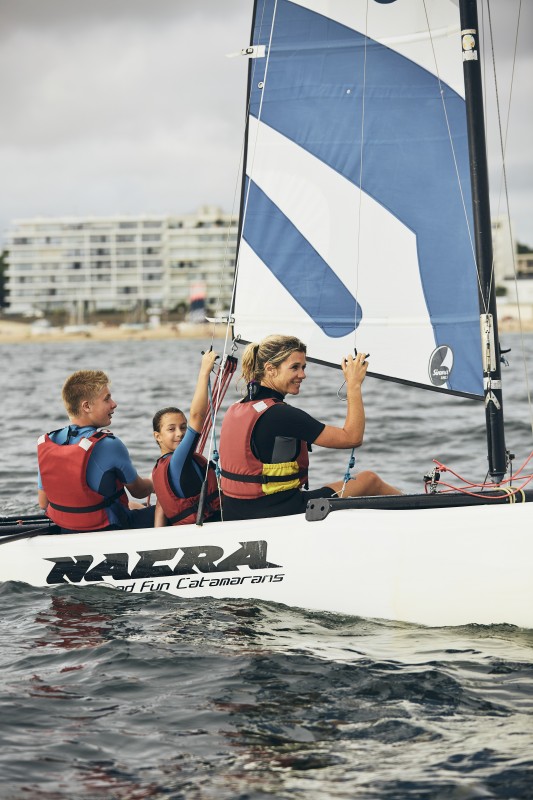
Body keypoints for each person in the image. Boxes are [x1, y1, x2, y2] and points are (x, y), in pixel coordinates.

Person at [218, 334, 400, 520]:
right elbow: (352, 437)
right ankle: (425, 516)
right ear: (270, 369)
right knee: (369, 480)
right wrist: (353, 384)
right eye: (294, 368)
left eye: (303, 367)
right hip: (275, 511)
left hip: (234, 513)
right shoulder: (281, 415)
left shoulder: (237, 407)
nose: (302, 375)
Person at [37, 370, 155, 533]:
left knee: (134, 506)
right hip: (107, 529)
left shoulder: (49, 442)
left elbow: (43, 503)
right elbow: (139, 491)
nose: (114, 404)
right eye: (107, 399)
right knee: (172, 511)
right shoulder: (109, 444)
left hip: (66, 529)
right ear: (86, 406)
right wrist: (154, 481)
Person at [152, 349, 222, 526]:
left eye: (183, 427)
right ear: (157, 436)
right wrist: (205, 370)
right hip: (206, 529)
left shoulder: (162, 467)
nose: (180, 433)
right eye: (171, 429)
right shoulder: (178, 462)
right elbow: (197, 416)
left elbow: (161, 507)